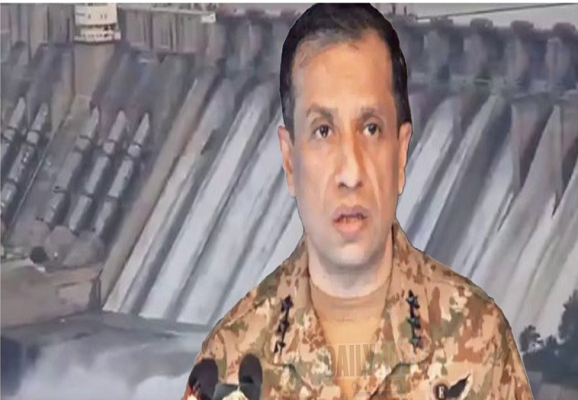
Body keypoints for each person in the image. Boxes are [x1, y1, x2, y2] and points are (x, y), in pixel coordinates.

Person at [183, 3, 533, 400]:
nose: (350, 173)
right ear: (290, 161)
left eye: (371, 128)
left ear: (401, 153)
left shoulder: (479, 342)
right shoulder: (230, 357)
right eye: (323, 131)